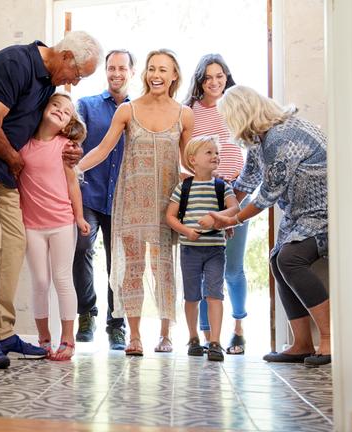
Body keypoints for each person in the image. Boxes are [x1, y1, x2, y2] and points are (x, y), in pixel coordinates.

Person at [0, 32, 103, 369]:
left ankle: (1, 332)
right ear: (67, 57)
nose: (74, 82)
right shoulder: (15, 62)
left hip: (4, 167)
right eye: (78, 74)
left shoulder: (46, 82)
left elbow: (39, 132)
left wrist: (69, 150)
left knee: (13, 245)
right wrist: (16, 160)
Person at [76, 49, 194, 356]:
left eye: (163, 70)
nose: (156, 74)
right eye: (152, 68)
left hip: (166, 204)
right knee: (132, 268)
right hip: (130, 201)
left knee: (163, 268)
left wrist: (217, 191)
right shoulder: (127, 111)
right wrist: (75, 169)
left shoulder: (185, 114)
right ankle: (135, 336)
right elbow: (102, 149)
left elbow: (188, 162)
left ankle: (166, 334)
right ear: (145, 73)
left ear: (174, 76)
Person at [208, 85, 331, 367]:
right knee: (279, 259)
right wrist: (222, 211)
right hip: (302, 216)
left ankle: (328, 338)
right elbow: (247, 181)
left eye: (229, 118)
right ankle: (301, 343)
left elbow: (267, 193)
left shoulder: (281, 137)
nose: (228, 125)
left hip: (327, 215)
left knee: (290, 259)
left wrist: (233, 219)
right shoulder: (260, 138)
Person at [183, 54, 248, 355]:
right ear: (200, 80)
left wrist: (237, 185)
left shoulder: (235, 107)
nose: (214, 81)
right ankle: (210, 337)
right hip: (204, 197)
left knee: (232, 268)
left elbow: (248, 148)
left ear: (227, 76)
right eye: (208, 77)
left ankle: (238, 328)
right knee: (207, 270)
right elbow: (186, 155)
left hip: (236, 193)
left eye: (219, 75)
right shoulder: (190, 112)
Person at [19, 92, 90, 361]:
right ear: (43, 107)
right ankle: (43, 339)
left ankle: (68, 340)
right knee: (39, 281)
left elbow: (73, 185)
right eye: (56, 105)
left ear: (69, 122)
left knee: (62, 279)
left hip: (62, 223)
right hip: (32, 226)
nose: (60, 111)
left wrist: (80, 217)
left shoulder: (65, 148)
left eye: (67, 111)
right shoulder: (23, 145)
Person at [72, 49, 135, 350]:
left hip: (124, 198)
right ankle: (87, 314)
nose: (116, 73)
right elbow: (73, 141)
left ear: (132, 72)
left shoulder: (140, 111)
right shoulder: (86, 105)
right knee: (82, 247)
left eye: (122, 68)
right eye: (111, 68)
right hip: (89, 193)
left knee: (118, 262)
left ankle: (117, 323)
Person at [166, 135, 238, 362]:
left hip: (215, 249)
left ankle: (215, 341)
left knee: (215, 294)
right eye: (209, 152)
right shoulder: (183, 187)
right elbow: (170, 216)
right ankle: (193, 337)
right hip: (190, 250)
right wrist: (186, 231)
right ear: (192, 160)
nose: (215, 156)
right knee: (192, 296)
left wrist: (216, 217)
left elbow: (235, 208)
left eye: (216, 152)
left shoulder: (222, 186)